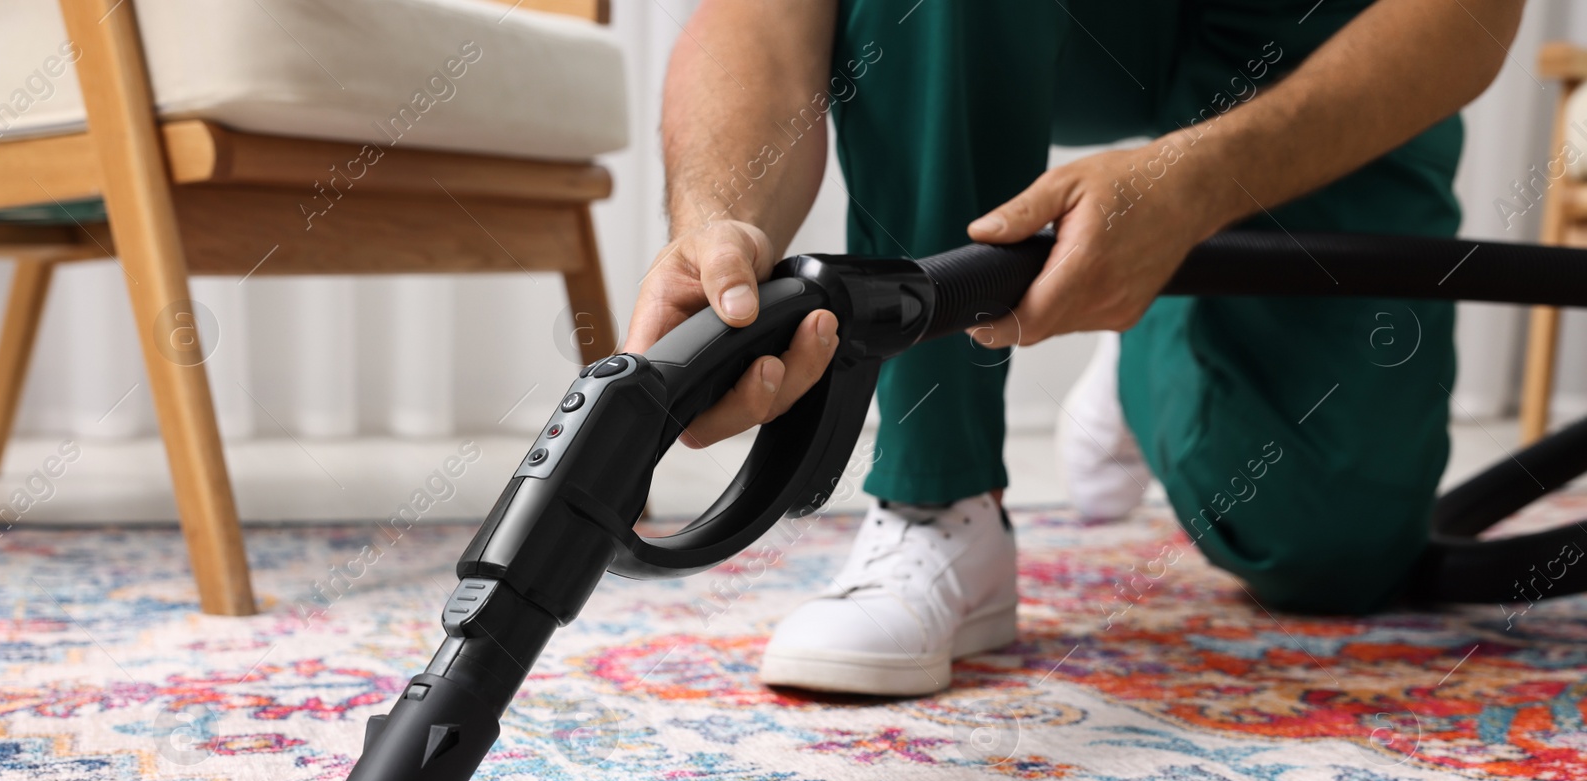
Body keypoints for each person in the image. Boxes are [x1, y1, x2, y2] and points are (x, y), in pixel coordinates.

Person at [623, 0, 1525, 696]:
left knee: (1331, 549)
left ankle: (1145, 342)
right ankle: (938, 501)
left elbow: (1470, 17)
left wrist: (1197, 185)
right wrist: (720, 224)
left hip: (1318, 26)